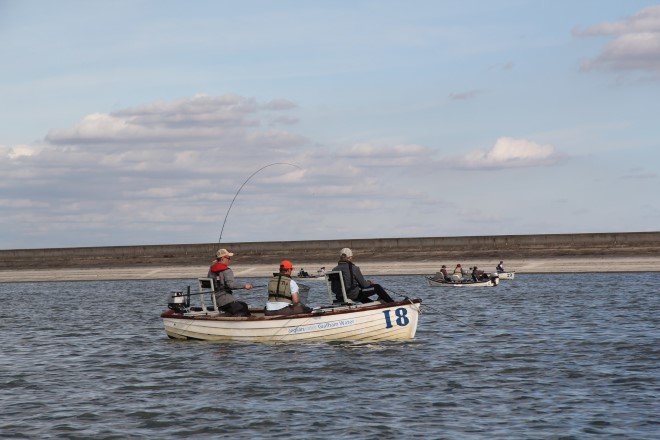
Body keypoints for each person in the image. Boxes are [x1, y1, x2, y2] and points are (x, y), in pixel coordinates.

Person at [208, 248, 253, 316]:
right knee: (241, 309)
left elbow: (208, 281)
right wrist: (245, 286)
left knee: (244, 305)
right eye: (228, 258)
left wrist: (212, 265)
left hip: (215, 300)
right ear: (222, 258)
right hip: (225, 300)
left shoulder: (211, 270)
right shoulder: (227, 270)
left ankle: (228, 315)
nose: (229, 260)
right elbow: (231, 285)